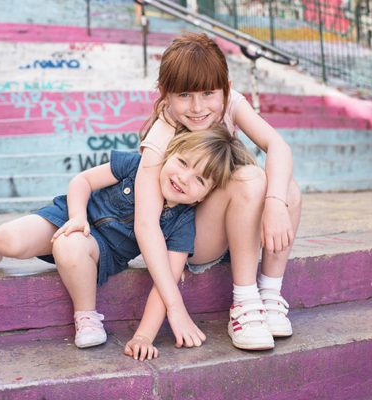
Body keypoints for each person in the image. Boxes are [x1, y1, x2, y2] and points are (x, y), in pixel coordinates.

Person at [0, 126, 254, 350]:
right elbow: (83, 180)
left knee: (71, 245)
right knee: (8, 239)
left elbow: (167, 282)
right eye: (183, 163)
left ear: (206, 196)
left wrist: (144, 336)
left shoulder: (182, 223)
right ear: (169, 154)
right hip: (67, 217)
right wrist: (77, 216)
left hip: (99, 251)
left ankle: (87, 315)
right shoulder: (136, 165)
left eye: (199, 179)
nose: (183, 178)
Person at [124, 32, 302, 361]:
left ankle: (270, 296)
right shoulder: (160, 137)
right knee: (250, 178)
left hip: (236, 225)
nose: (198, 107)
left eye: (209, 93)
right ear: (165, 95)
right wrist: (173, 306)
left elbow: (278, 145)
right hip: (191, 241)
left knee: (286, 186)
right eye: (184, 95)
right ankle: (245, 304)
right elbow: (146, 226)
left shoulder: (230, 104)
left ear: (226, 89)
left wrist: (276, 202)